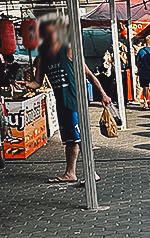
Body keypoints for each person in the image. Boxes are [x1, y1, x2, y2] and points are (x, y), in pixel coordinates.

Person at [26, 18, 110, 184]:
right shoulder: (43, 58)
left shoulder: (69, 50)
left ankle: (91, 173)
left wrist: (102, 93)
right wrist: (25, 84)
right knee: (70, 140)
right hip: (61, 104)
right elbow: (37, 83)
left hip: (75, 102)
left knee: (81, 138)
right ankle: (70, 173)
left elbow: (89, 74)